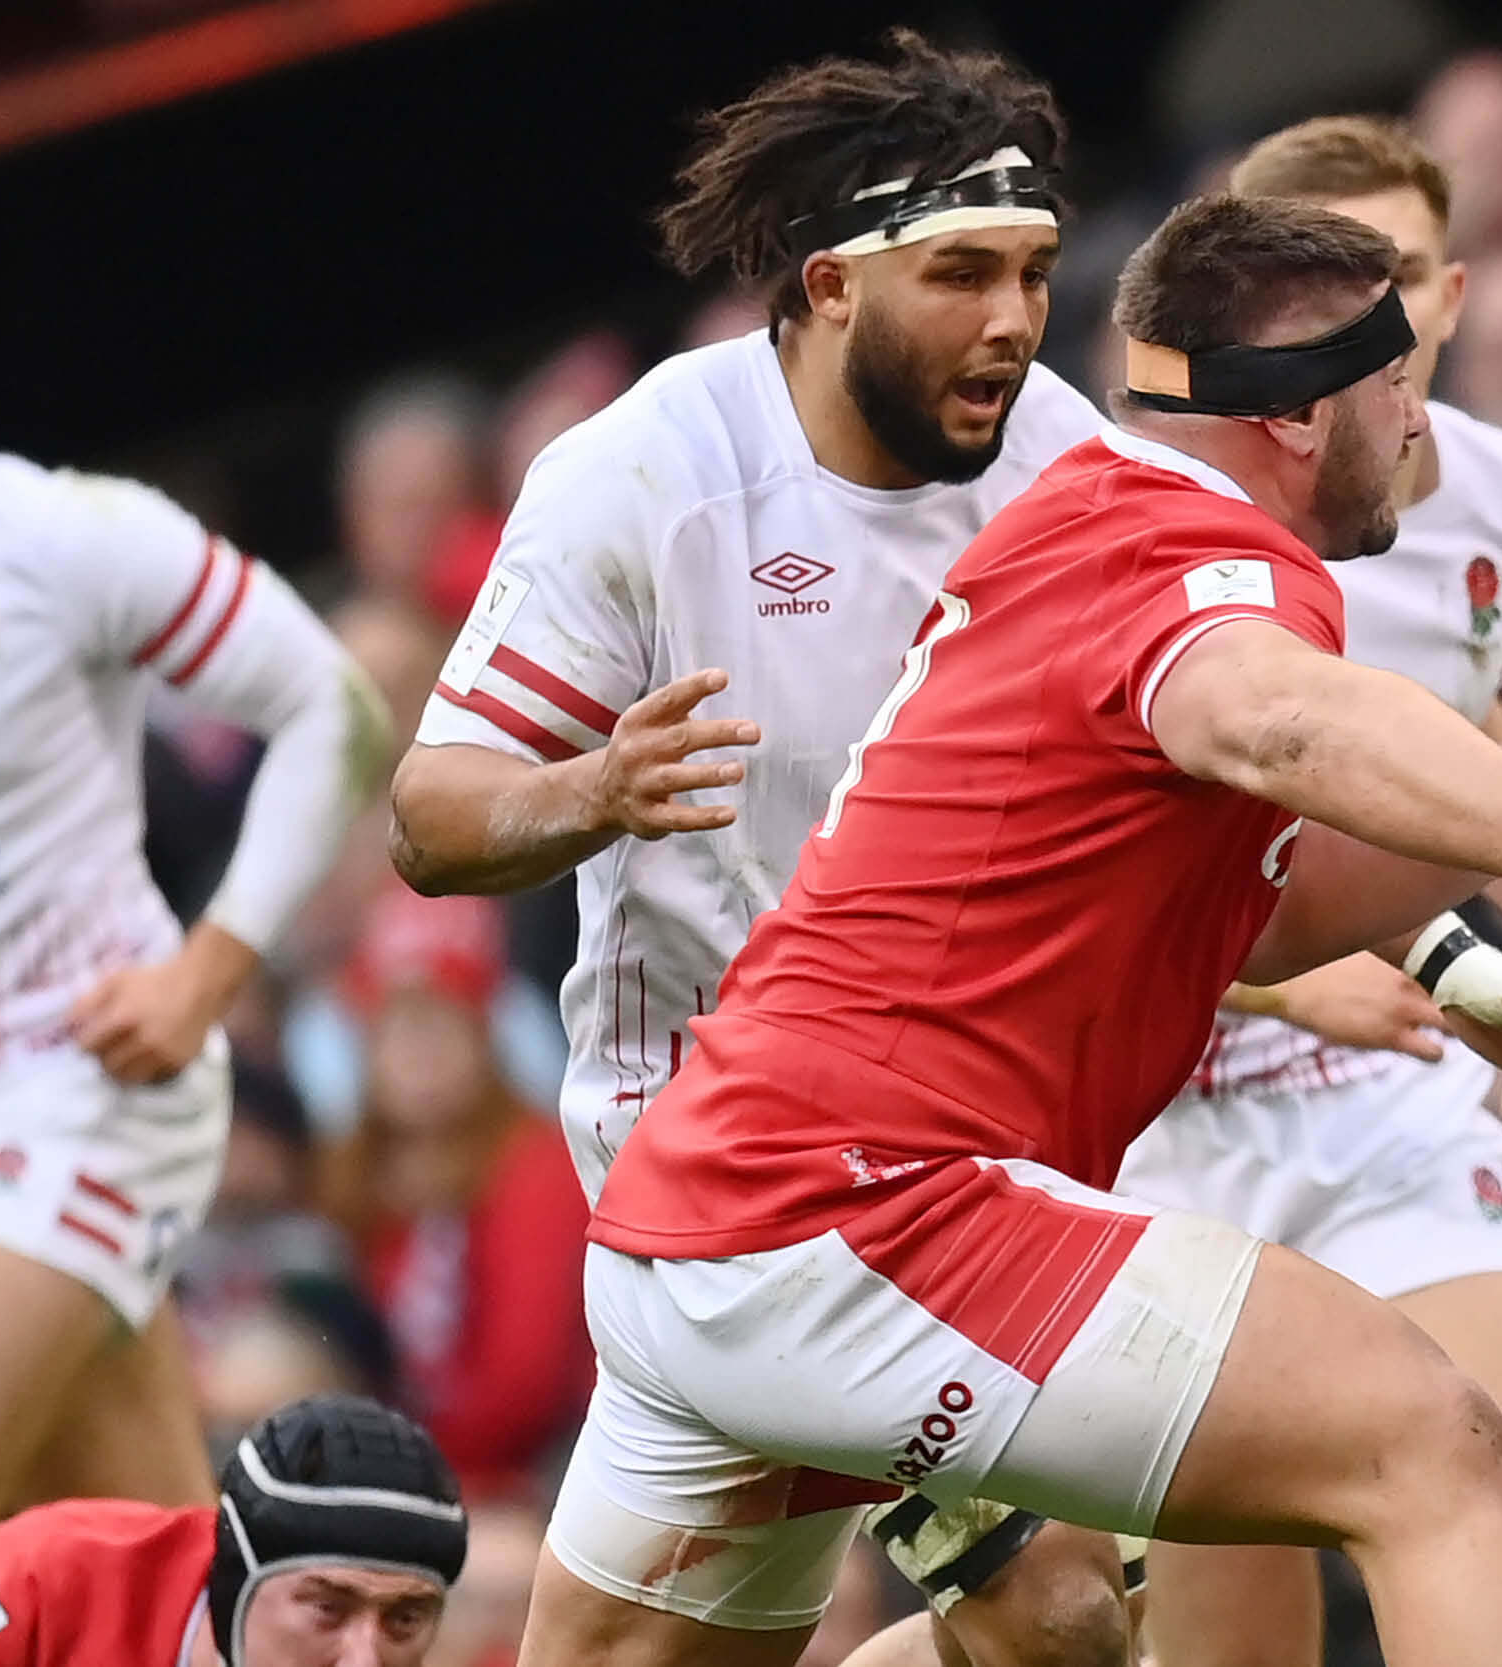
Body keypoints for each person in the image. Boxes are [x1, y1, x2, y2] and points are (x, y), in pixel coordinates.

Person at [508, 192, 1502, 1667]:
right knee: (1426, 1440)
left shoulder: (1097, 515)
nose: (1420, 426)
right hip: (864, 1201)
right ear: (1300, 416)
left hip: (712, 1204)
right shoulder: (1191, 552)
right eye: (1401, 386)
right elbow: (1277, 721)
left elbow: (1271, 917)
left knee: (1061, 1629)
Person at [377, 34, 1138, 1665]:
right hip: (714, 1161)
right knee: (1067, 1604)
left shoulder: (1061, 462)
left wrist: (1410, 948)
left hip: (958, 1140)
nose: (1014, 318)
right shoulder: (647, 474)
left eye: (1032, 270)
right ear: (833, 287)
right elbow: (430, 816)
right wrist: (592, 790)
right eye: (961, 274)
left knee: (1063, 1615)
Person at [1112, 113, 1502, 1667]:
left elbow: (1455, 737)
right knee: (1201, 1646)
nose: (1388, 323)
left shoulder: (1498, 487)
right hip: (1158, 1102)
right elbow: (1106, 840)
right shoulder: (1137, 512)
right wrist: (1304, 971)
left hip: (1396, 1093)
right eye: (1335, 296)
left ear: (1454, 290)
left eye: (1409, 278)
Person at [0, 453, 388, 1529]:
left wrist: (207, 972)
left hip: (79, 1073)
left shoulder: (55, 536)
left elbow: (332, 704)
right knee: (145, 1568)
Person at [0, 1393, 466, 1667]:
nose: (363, 1662)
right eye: (328, 1609)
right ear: (232, 1588)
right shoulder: (41, 1580)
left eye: (404, 1619)